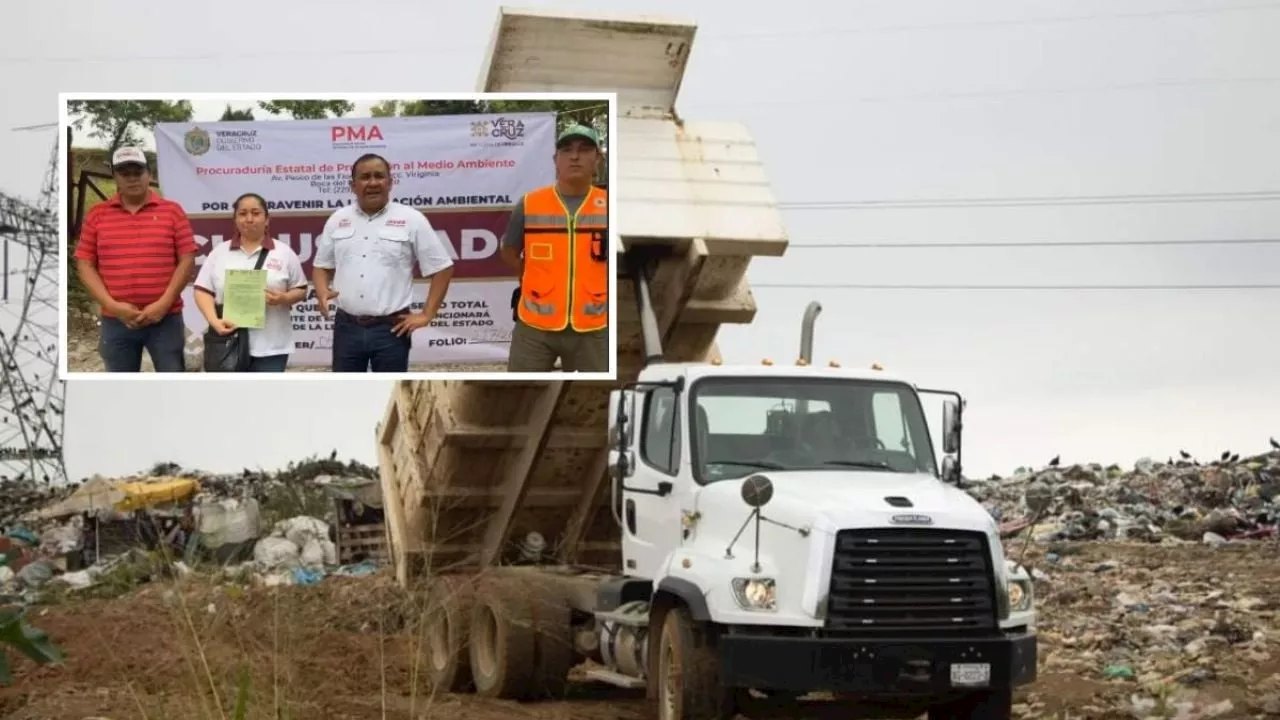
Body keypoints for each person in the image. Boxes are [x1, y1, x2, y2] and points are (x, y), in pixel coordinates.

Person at [312, 153, 455, 373]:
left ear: (390, 182)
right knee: (345, 392)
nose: (372, 183)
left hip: (391, 329)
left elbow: (442, 268)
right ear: (353, 185)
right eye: (365, 177)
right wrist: (322, 291)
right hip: (346, 327)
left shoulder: (412, 219)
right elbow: (322, 266)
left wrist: (427, 314)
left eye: (379, 176)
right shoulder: (337, 219)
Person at [73, 146, 197, 372]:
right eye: (125, 173)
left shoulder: (172, 211)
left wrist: (163, 303)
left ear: (149, 174)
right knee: (121, 388)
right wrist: (113, 306)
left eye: (137, 172)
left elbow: (187, 259)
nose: (132, 178)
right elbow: (85, 264)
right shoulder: (97, 214)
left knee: (174, 385)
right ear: (115, 177)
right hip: (116, 320)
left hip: (165, 319)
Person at [499, 124, 610, 373]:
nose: (574, 156)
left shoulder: (612, 208)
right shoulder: (530, 204)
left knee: (592, 400)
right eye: (567, 150)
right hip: (534, 329)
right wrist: (531, 275)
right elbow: (509, 251)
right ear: (555, 160)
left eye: (584, 150)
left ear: (598, 159)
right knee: (519, 395)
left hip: (594, 329)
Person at [192, 193, 308, 372]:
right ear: (235, 220)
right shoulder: (219, 253)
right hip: (228, 342)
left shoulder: (284, 253)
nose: (249, 219)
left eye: (255, 213)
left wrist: (283, 298)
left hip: (271, 346)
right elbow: (202, 290)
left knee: (266, 399)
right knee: (230, 399)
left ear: (267, 219)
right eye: (243, 213)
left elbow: (300, 289)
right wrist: (214, 321)